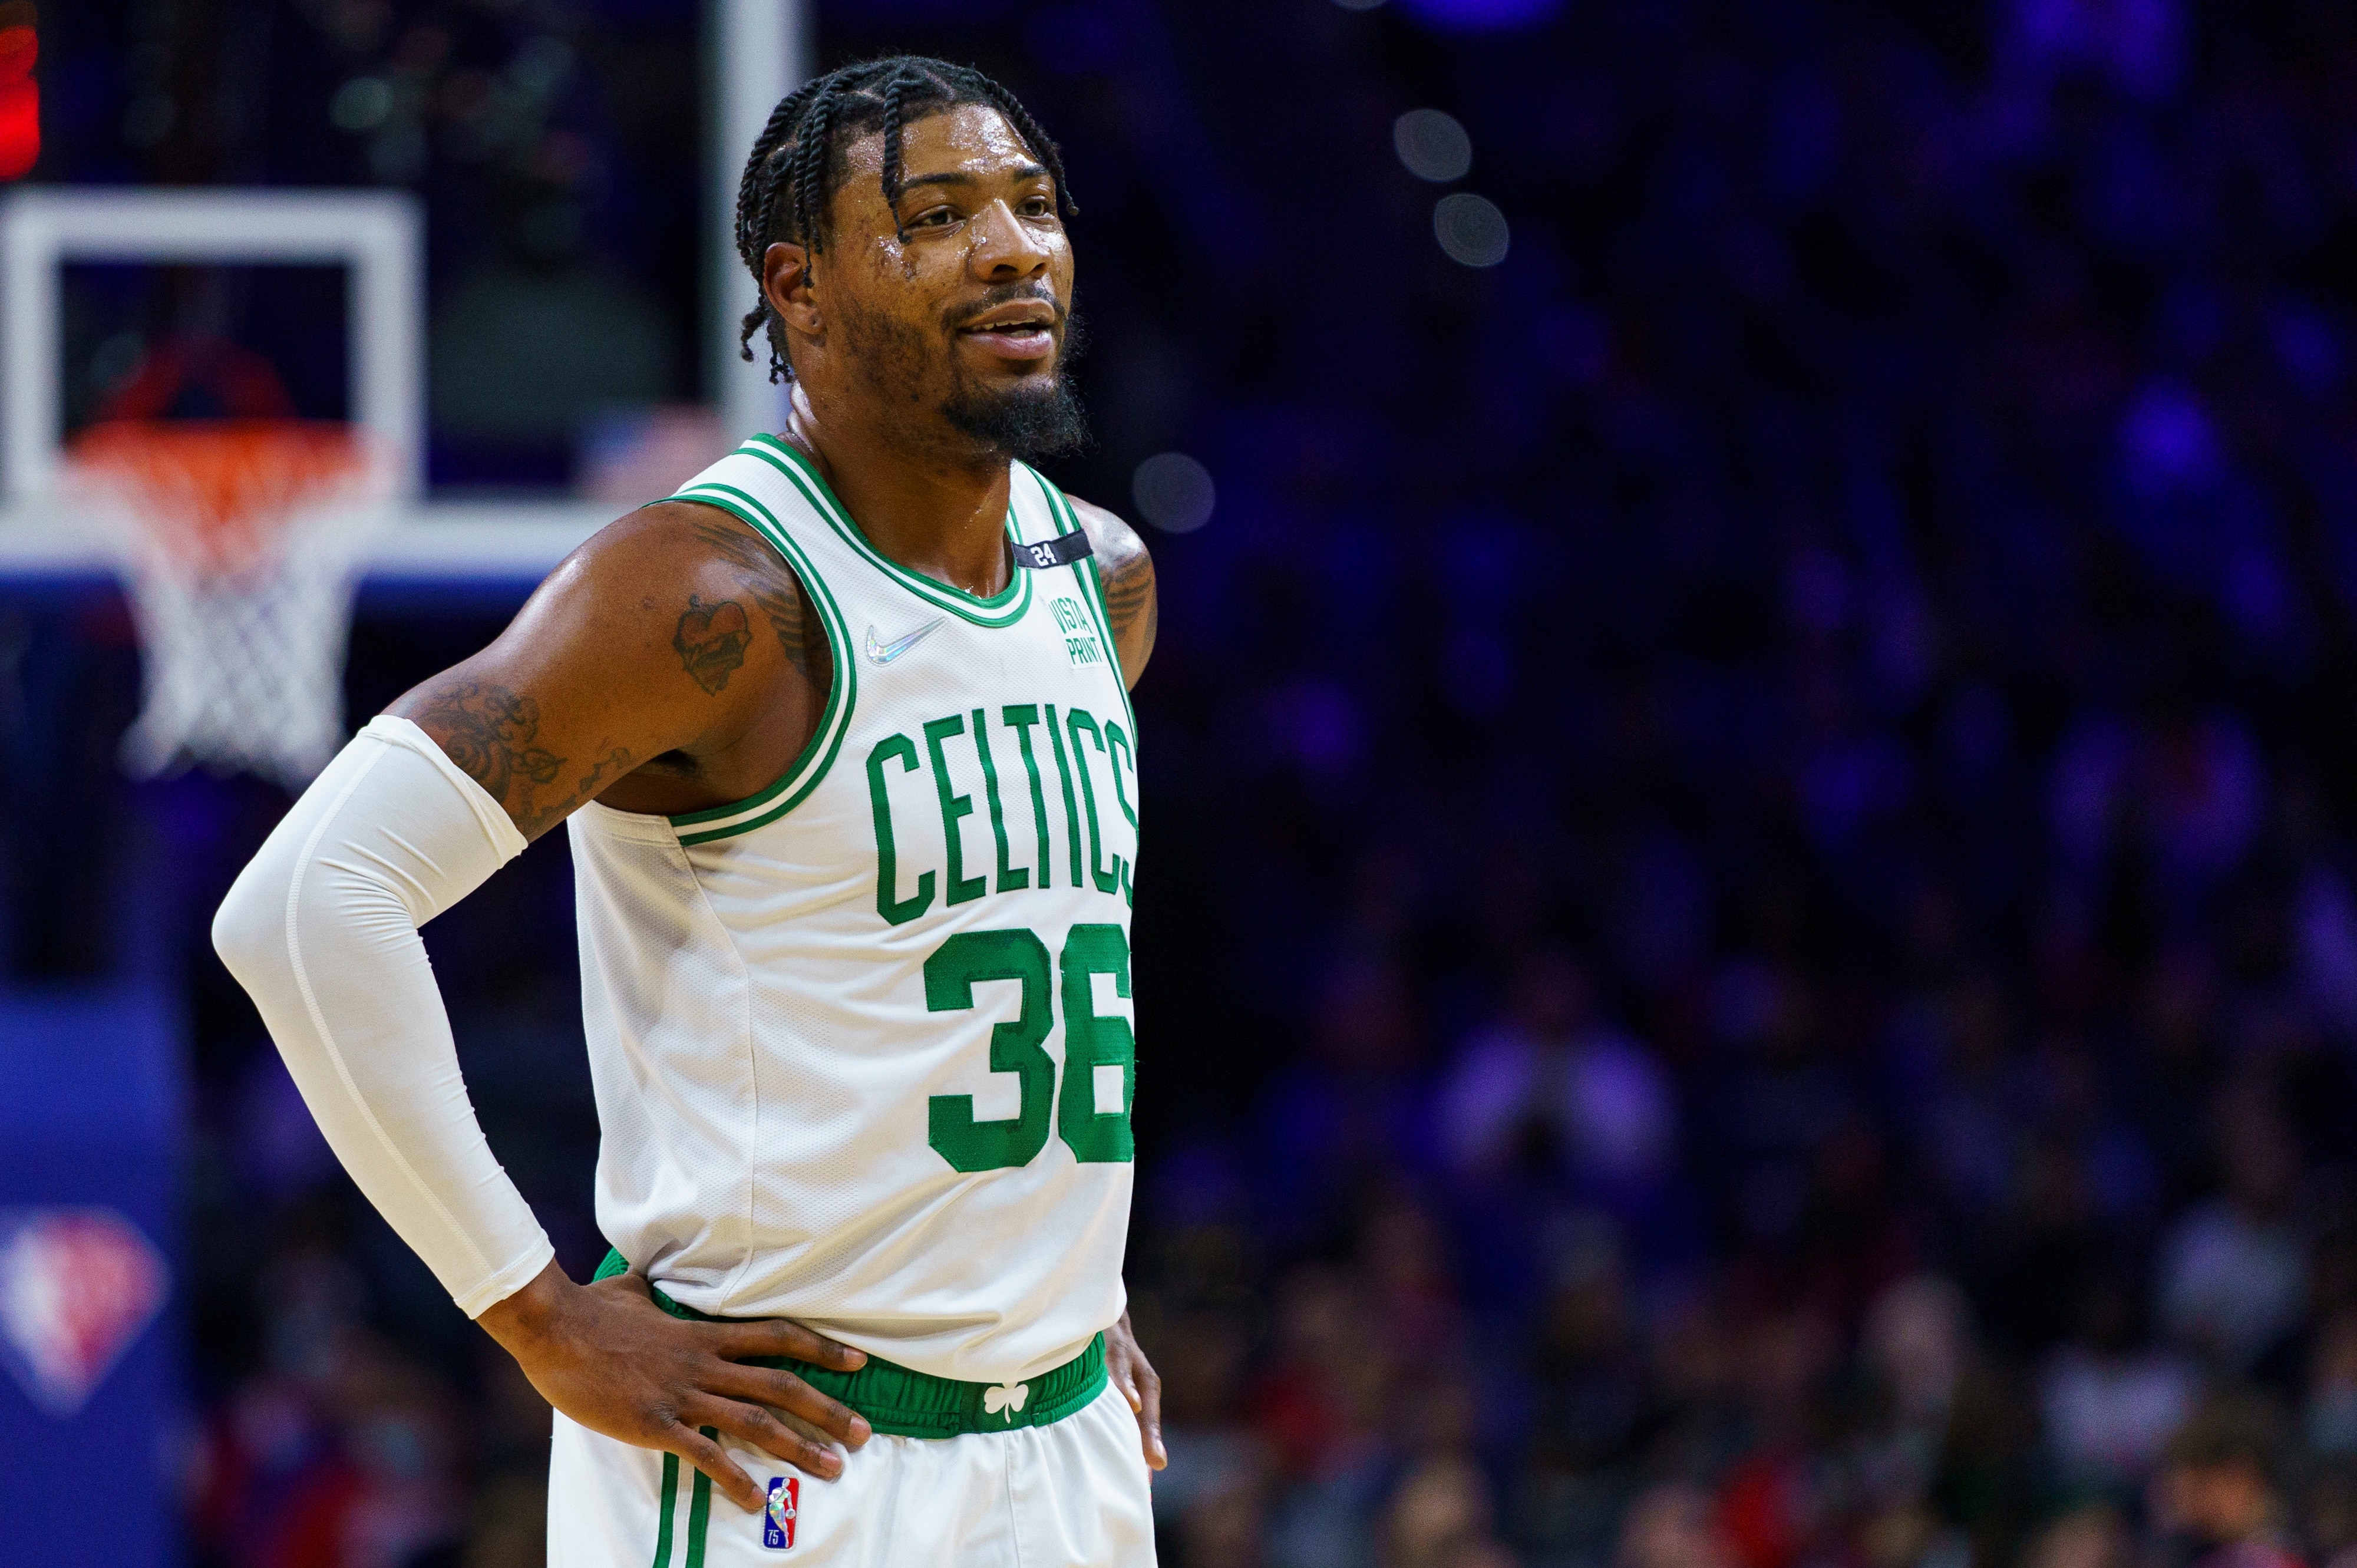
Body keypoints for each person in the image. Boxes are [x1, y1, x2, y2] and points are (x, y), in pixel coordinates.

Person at [214, 55, 1163, 1566]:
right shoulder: (706, 594)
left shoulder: (1099, 578)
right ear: (797, 284)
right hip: (782, 1466)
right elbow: (304, 904)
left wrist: (1061, 1304)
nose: (1009, 245)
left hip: (1056, 1448)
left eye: (1032, 205)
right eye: (932, 215)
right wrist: (533, 1314)